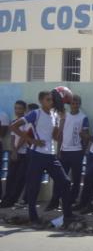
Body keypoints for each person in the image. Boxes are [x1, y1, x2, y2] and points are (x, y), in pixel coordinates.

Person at [10, 91, 74, 227]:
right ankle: (33, 219)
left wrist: (62, 121)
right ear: (41, 101)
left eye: (51, 100)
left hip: (50, 155)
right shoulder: (35, 114)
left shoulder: (55, 115)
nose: (51, 102)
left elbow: (56, 137)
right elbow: (13, 126)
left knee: (65, 182)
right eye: (48, 99)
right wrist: (31, 139)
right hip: (36, 155)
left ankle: (68, 215)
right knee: (33, 187)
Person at [48, 94, 89, 211]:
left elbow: (85, 136)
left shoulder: (83, 117)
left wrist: (83, 150)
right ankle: (55, 200)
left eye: (77, 103)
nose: (75, 105)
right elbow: (60, 134)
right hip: (64, 152)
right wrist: (58, 150)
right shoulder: (65, 117)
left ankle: (71, 201)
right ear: (70, 104)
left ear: (80, 104)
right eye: (73, 103)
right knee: (59, 177)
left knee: (76, 179)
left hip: (77, 152)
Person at [0, 100, 28, 208]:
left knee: (19, 179)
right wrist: (13, 150)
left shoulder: (26, 122)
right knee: (10, 177)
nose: (18, 110)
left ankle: (12, 200)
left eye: (20, 108)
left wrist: (16, 151)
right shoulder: (14, 121)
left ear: (24, 110)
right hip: (14, 153)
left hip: (24, 153)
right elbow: (12, 137)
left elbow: (24, 137)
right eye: (16, 108)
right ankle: (6, 199)